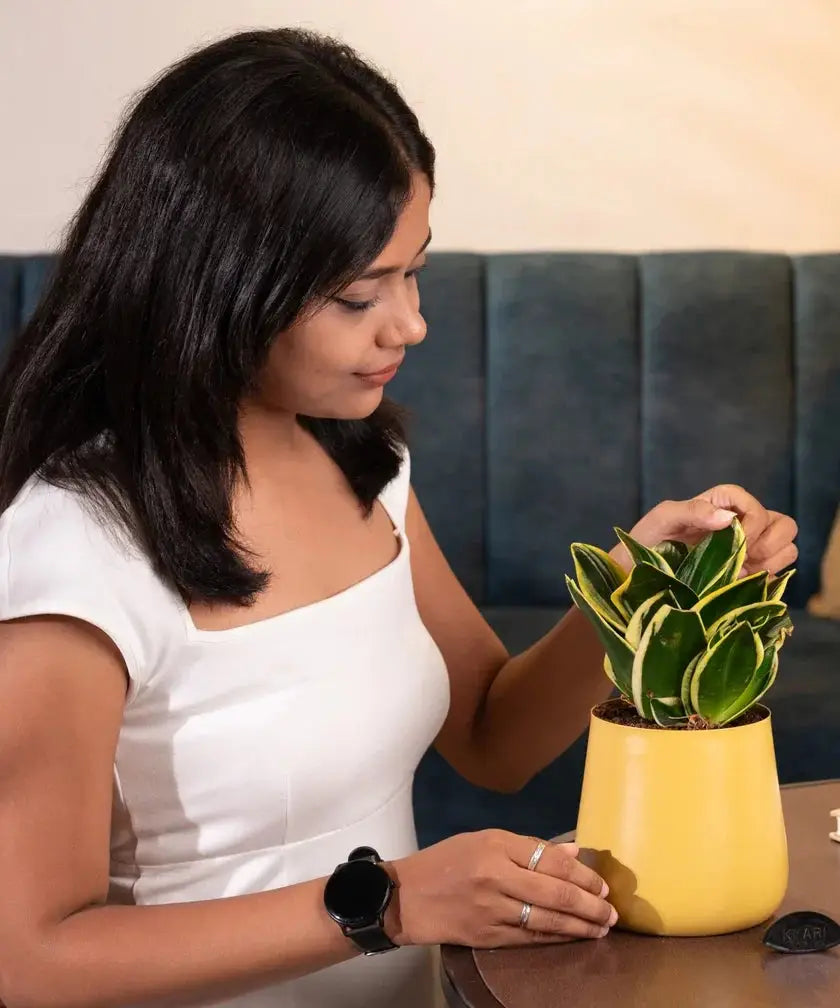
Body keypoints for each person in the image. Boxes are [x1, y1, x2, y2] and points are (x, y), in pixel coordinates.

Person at [0, 27, 797, 1008]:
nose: (410, 324)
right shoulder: (75, 544)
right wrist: (385, 904)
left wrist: (642, 590)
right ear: (218, 283)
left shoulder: (358, 460)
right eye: (357, 294)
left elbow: (493, 737)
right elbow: (30, 958)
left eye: (413, 271)